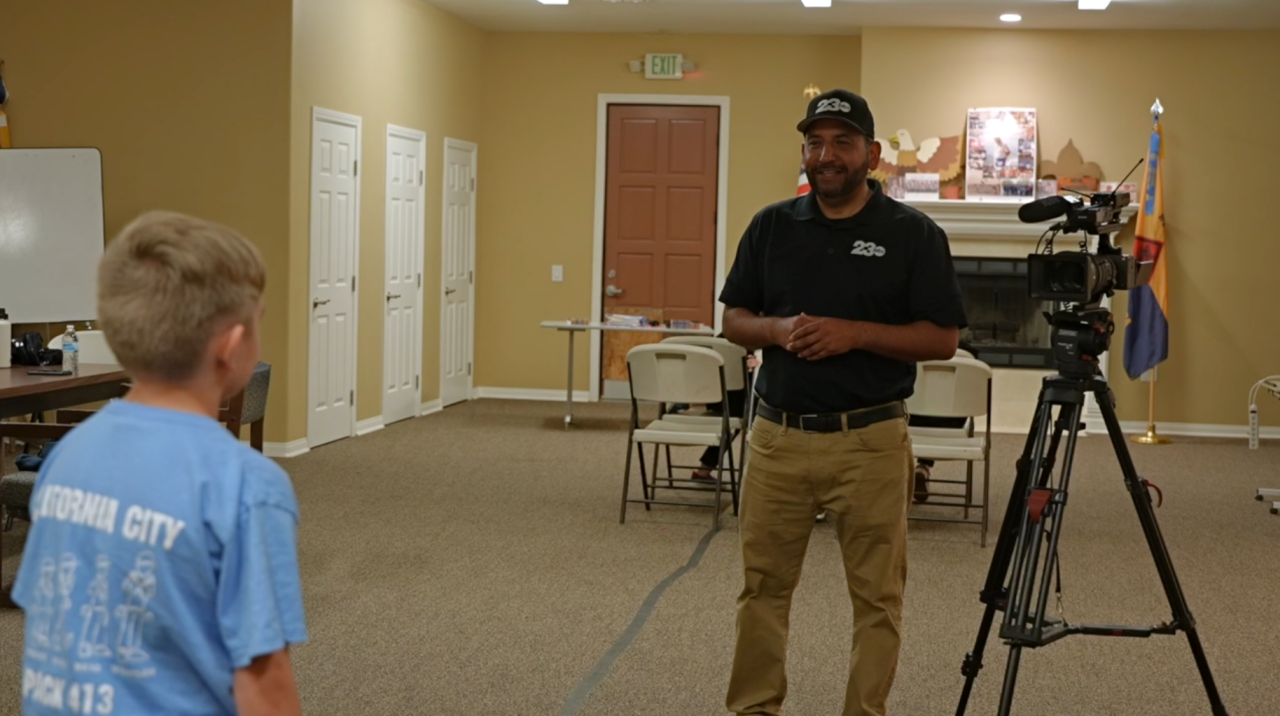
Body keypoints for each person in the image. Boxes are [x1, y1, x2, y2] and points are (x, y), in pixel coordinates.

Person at [719, 89, 967, 716]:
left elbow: (942, 338)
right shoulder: (771, 225)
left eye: (842, 142)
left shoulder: (914, 235)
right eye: (815, 142)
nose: (826, 155)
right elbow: (734, 319)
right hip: (778, 440)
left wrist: (854, 333)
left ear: (872, 154)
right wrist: (776, 331)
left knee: (877, 599)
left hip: (872, 442)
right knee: (762, 591)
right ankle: (754, 709)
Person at [13, 212, 306, 716]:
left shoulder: (65, 458)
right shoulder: (247, 486)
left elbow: (51, 618)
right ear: (232, 347)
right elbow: (263, 684)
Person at [910, 341, 978, 503]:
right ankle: (923, 468)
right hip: (955, 428)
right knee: (944, 405)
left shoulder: (908, 351)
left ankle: (908, 475)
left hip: (910, 427)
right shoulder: (968, 355)